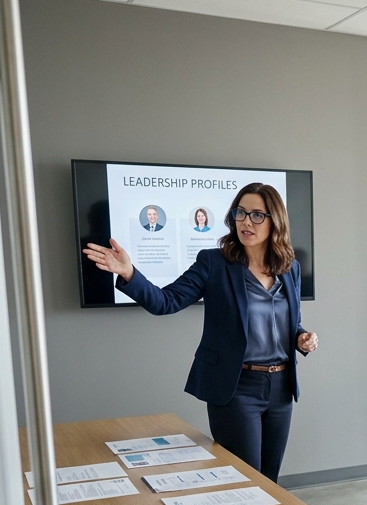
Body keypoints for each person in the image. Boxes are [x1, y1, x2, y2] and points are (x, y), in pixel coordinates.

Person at [85, 183, 317, 483]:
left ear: (276, 221)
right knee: (244, 479)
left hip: (281, 387)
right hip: (238, 388)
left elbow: (291, 322)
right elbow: (165, 302)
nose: (246, 221)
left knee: (270, 480)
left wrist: (301, 337)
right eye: (241, 213)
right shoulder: (215, 263)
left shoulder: (290, 268)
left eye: (257, 215)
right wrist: (129, 273)